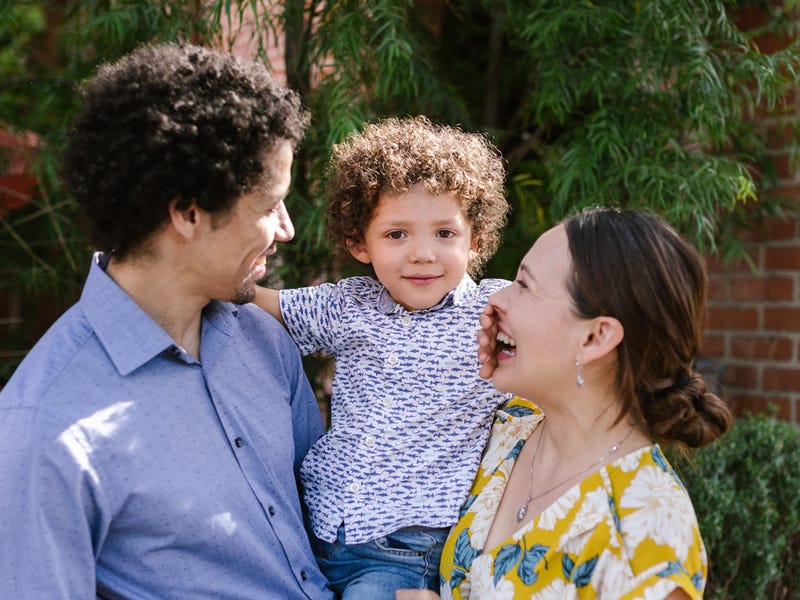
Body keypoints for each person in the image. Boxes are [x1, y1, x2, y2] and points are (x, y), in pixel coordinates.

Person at [0, 43, 333, 599]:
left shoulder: (264, 340)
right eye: (270, 204)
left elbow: (333, 524)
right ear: (188, 212)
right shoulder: (44, 431)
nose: (287, 228)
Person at [397, 207, 732, 600]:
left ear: (595, 338)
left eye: (525, 285)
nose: (498, 296)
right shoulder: (507, 427)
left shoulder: (646, 537)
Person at [252, 116, 511, 598]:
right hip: (320, 530)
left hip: (404, 554)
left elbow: (572, 330)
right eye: (396, 235)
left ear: (474, 239)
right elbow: (262, 303)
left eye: (444, 234)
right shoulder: (350, 304)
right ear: (359, 244)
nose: (422, 254)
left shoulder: (497, 312)